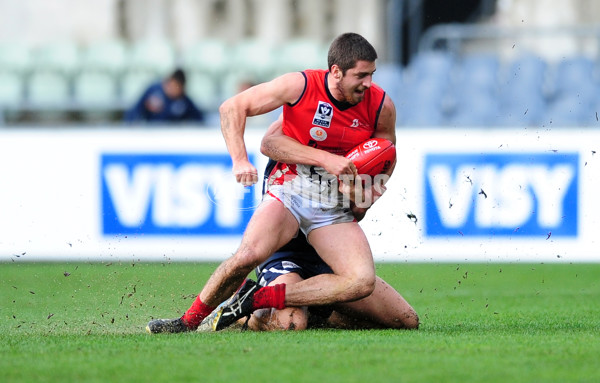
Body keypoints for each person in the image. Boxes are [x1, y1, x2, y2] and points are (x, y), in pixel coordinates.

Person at [147, 32, 399, 334]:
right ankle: (187, 321)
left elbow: (386, 154)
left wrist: (366, 195)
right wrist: (240, 160)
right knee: (248, 256)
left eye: (372, 75)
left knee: (365, 284)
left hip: (333, 206)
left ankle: (261, 298)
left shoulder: (381, 105)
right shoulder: (301, 86)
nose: (368, 83)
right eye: (361, 76)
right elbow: (232, 108)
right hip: (290, 190)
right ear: (335, 71)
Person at [124, 68, 205, 123]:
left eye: (177, 87)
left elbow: (199, 119)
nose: (172, 89)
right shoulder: (153, 91)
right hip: (151, 133)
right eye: (171, 85)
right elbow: (136, 109)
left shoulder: (183, 101)